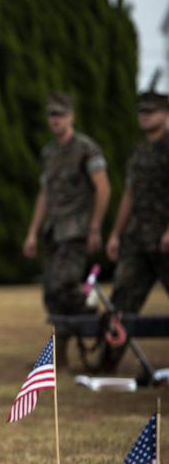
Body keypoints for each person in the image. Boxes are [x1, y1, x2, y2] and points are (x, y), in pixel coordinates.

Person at [23, 93, 111, 365]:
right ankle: (58, 357)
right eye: (52, 115)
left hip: (77, 231)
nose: (56, 120)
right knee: (52, 292)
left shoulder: (86, 148)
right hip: (55, 232)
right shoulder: (49, 153)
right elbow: (45, 194)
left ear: (71, 117)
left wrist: (95, 228)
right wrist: (32, 233)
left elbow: (103, 188)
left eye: (61, 115)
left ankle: (97, 318)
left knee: (62, 285)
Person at [99, 88, 169, 377]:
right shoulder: (139, 150)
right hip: (138, 239)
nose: (144, 116)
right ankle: (107, 362)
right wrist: (115, 233)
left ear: (165, 115)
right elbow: (129, 194)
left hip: (165, 241)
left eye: (150, 111)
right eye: (141, 111)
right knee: (122, 301)